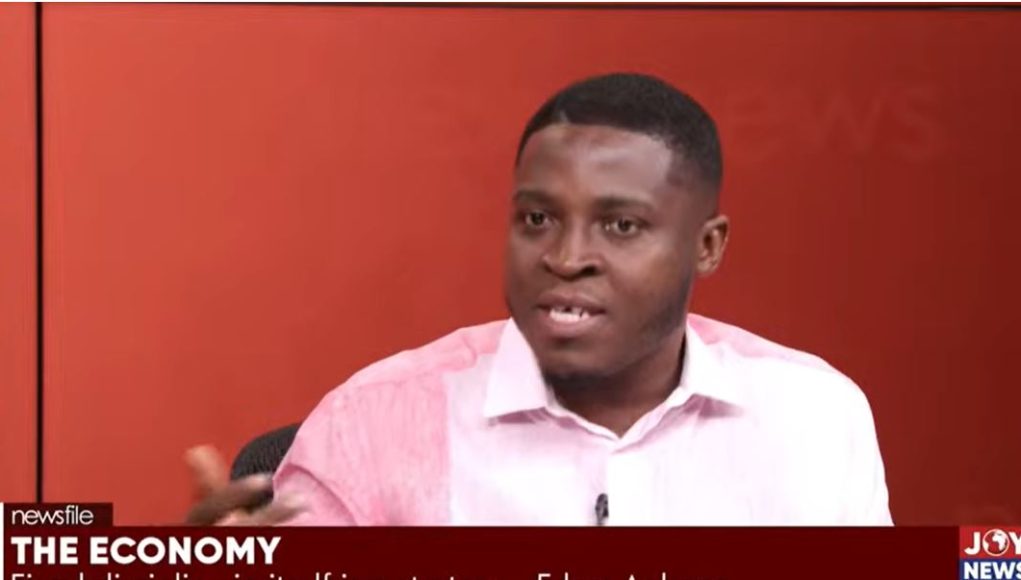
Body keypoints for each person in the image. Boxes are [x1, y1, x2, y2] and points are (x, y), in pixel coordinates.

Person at [184, 72, 892, 526]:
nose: (565, 257)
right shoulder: (373, 425)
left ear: (706, 247)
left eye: (620, 226)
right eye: (537, 218)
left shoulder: (813, 417)